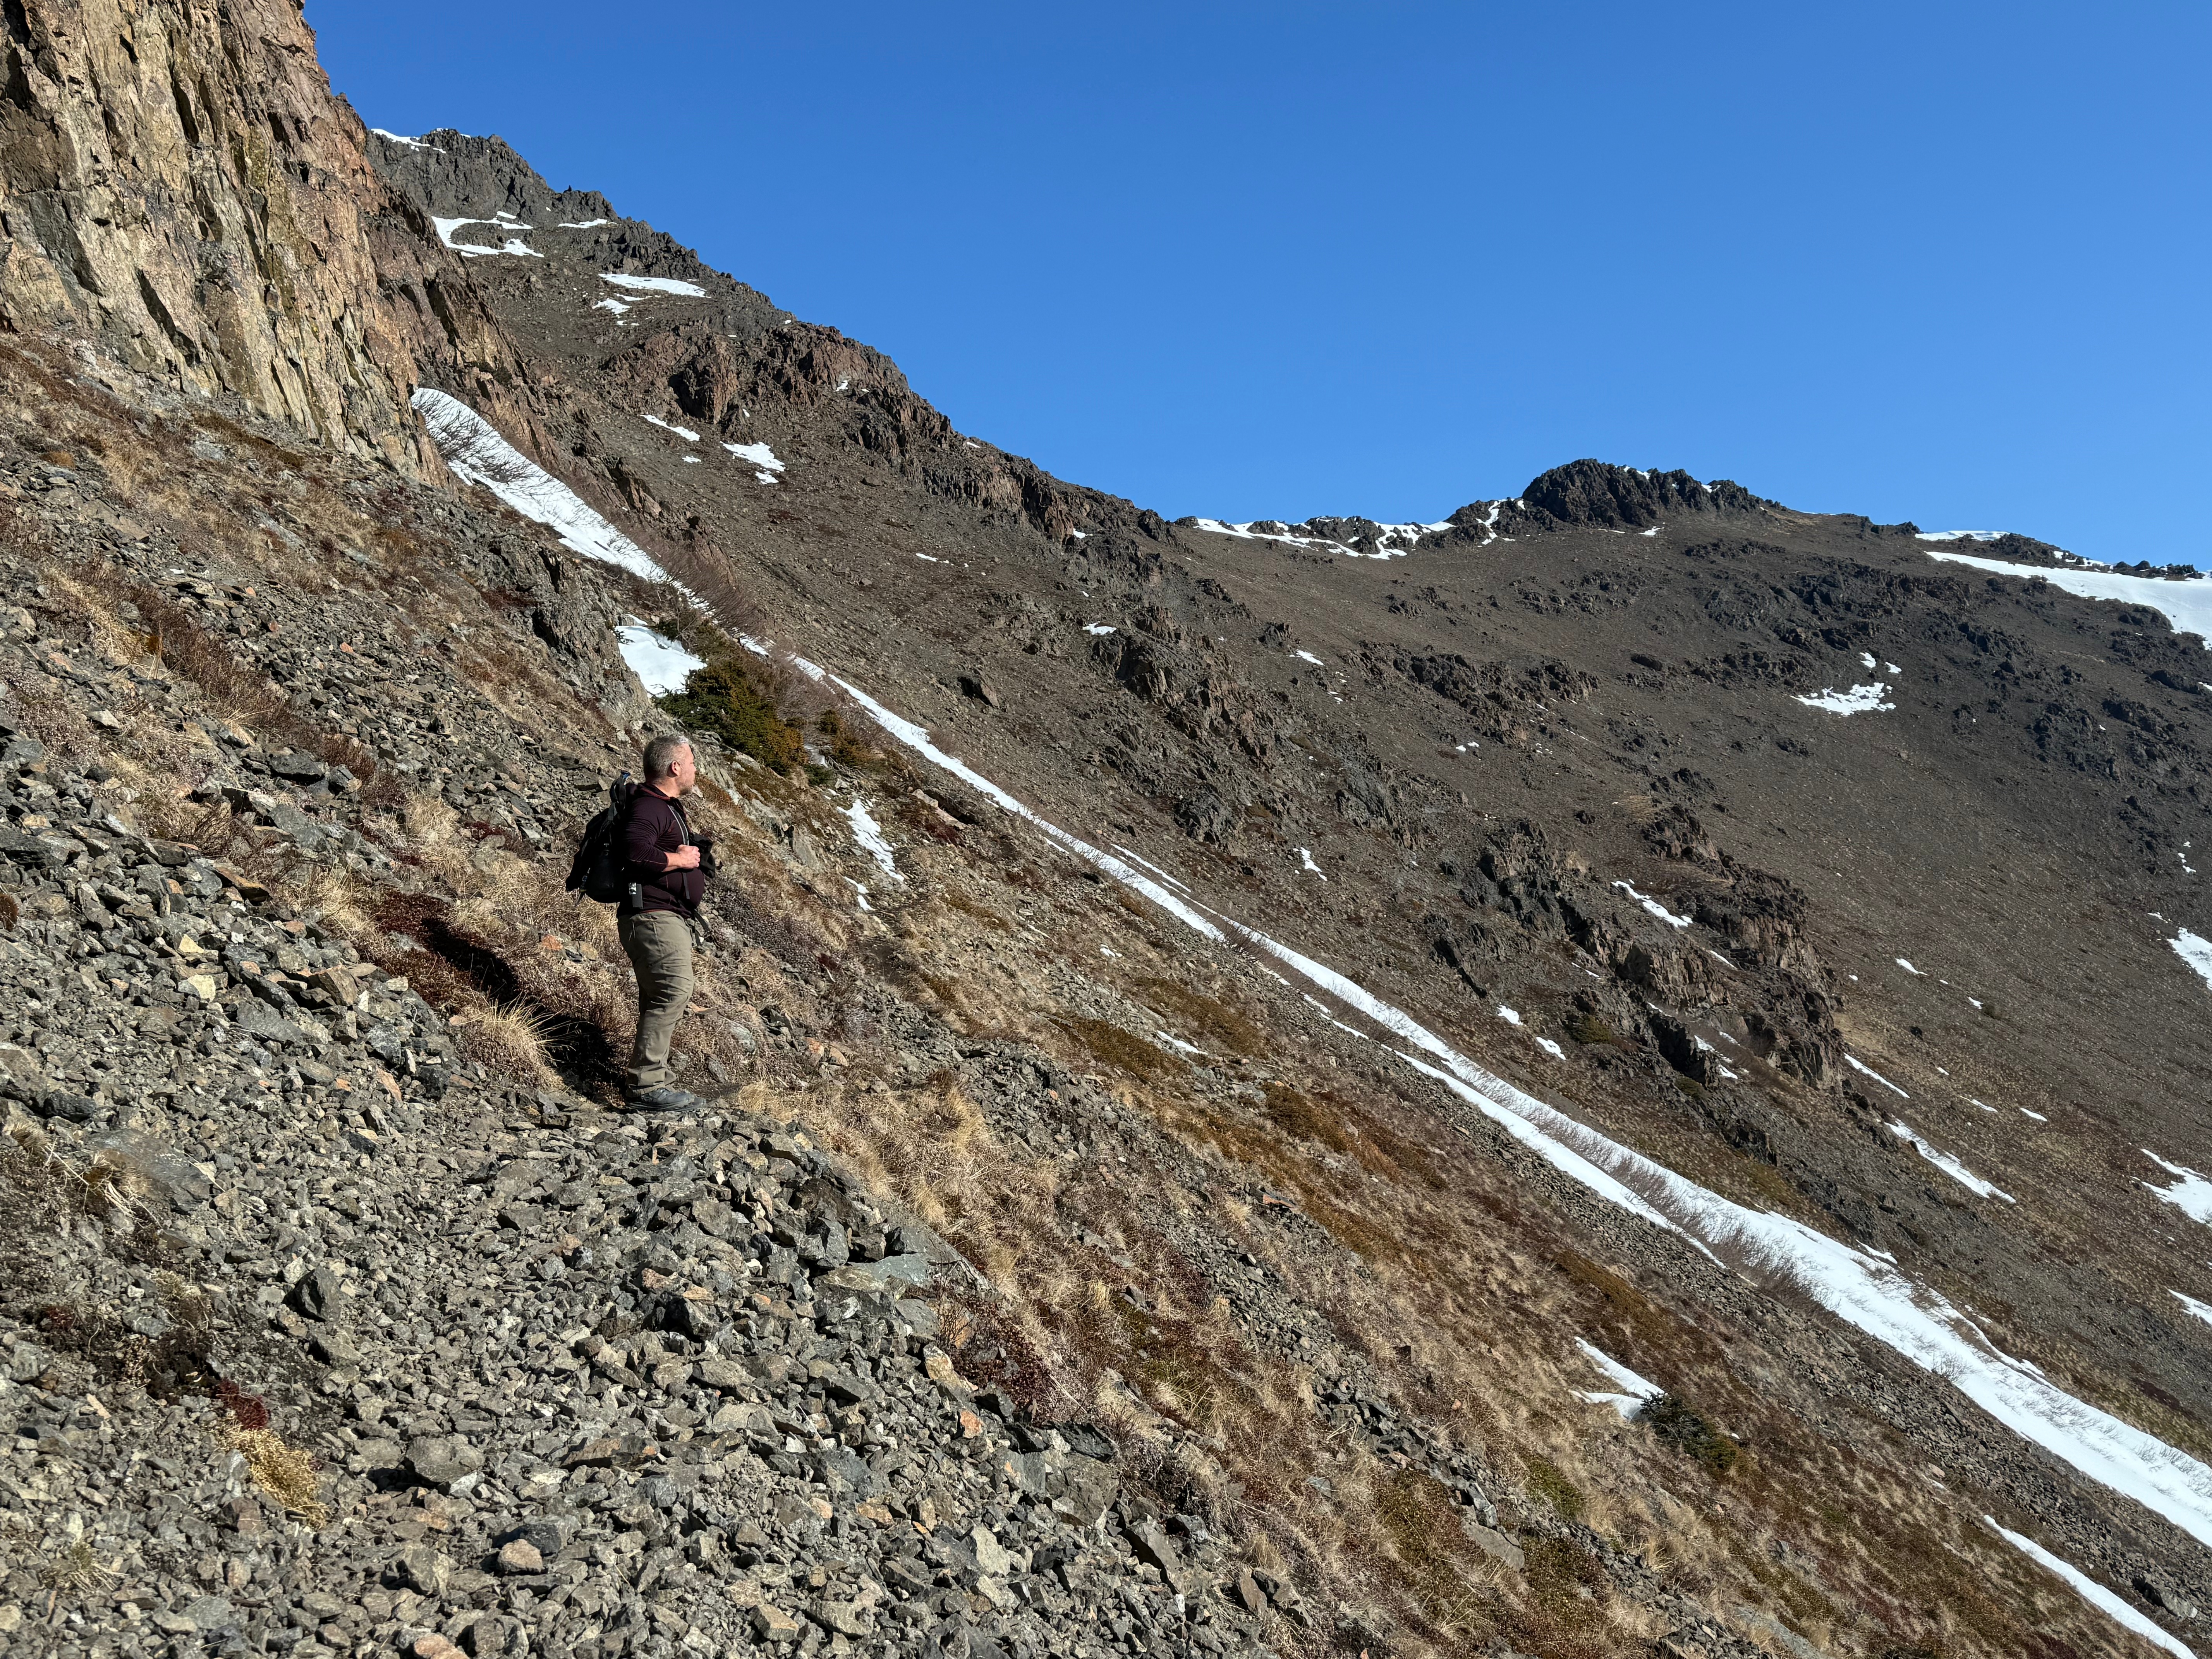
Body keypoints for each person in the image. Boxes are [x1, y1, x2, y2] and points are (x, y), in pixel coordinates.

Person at [618, 732, 715, 1111]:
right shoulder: (651, 807)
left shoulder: (665, 806)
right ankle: (646, 1087)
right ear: (675, 767)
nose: (695, 770)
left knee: (658, 996)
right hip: (653, 915)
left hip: (660, 914)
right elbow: (634, 850)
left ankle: (650, 1081)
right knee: (675, 990)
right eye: (691, 763)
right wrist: (682, 862)